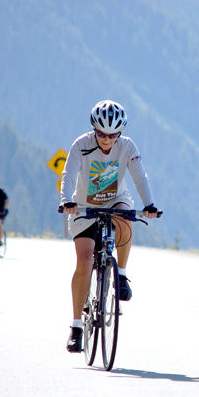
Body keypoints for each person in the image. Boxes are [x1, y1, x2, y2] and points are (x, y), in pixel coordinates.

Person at [59, 100, 159, 353]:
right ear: (94, 129)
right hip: (83, 207)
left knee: (127, 218)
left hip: (116, 200)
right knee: (83, 262)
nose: (106, 139)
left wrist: (150, 204)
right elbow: (68, 174)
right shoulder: (80, 145)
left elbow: (140, 176)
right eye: (102, 134)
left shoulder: (128, 147)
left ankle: (122, 275)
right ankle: (76, 328)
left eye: (112, 135)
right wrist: (67, 200)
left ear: (120, 133)